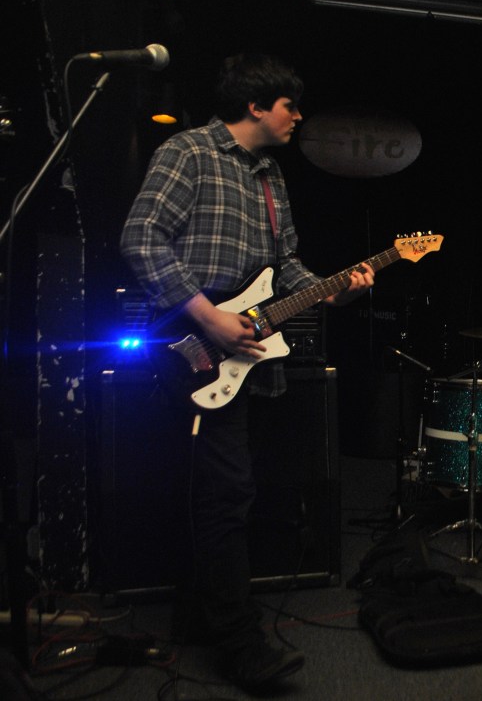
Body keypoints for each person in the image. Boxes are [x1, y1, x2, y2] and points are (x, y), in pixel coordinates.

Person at [120, 53, 374, 690]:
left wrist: (336, 289)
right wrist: (208, 317)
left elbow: (284, 266)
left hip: (244, 361)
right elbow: (141, 237)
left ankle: (196, 615)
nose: (298, 117)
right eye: (290, 106)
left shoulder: (270, 177)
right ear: (256, 105)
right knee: (227, 492)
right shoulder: (189, 152)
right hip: (189, 347)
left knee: (222, 490)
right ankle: (241, 644)